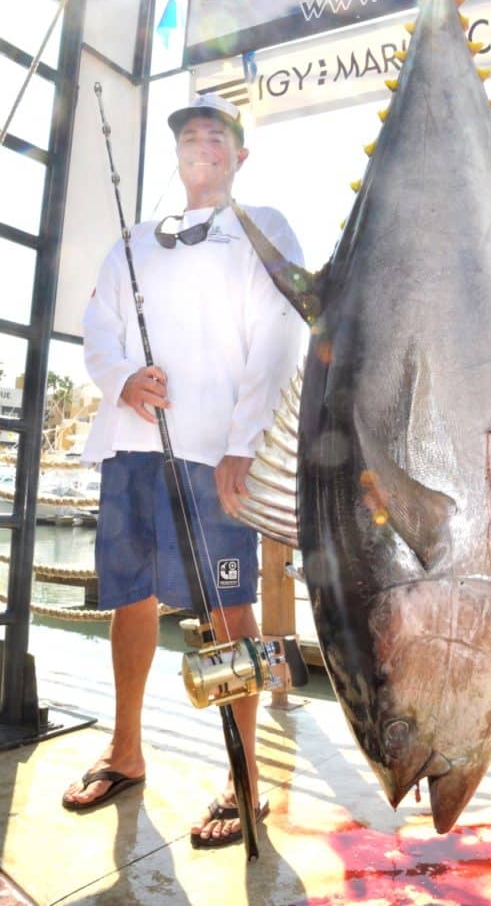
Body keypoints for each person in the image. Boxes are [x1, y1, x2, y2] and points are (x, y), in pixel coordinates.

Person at [62, 93, 306, 849]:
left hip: (217, 457)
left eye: (217, 135)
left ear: (239, 155)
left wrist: (244, 442)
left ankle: (245, 781)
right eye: (189, 135)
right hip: (133, 447)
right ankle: (126, 751)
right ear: (178, 156)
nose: (201, 143)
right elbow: (98, 324)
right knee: (128, 600)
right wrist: (123, 377)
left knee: (232, 615)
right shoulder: (133, 239)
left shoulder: (264, 229)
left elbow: (278, 335)